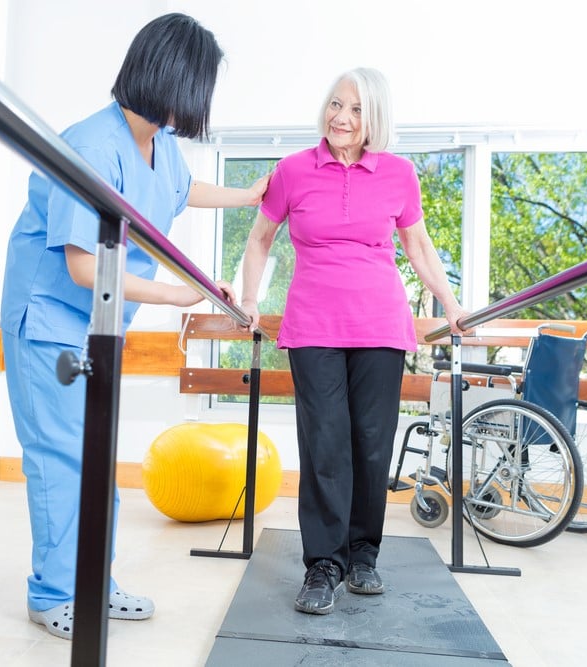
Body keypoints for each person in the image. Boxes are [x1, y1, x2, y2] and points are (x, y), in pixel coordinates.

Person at [0, 13, 269, 640]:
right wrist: (181, 293)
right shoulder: (93, 145)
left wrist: (248, 195)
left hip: (98, 326)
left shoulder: (157, 141)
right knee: (62, 458)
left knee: (98, 457)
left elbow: (179, 190)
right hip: (49, 321)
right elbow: (81, 264)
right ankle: (51, 593)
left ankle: (94, 581)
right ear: (171, 78)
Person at [237, 67, 467, 614]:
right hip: (313, 326)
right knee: (324, 444)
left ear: (375, 119)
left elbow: (418, 247)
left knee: (370, 442)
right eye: (336, 105)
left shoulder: (399, 175)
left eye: (357, 109)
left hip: (381, 327)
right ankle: (323, 564)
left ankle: (362, 554)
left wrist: (453, 306)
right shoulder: (293, 170)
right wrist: (249, 300)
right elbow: (260, 240)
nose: (341, 117)